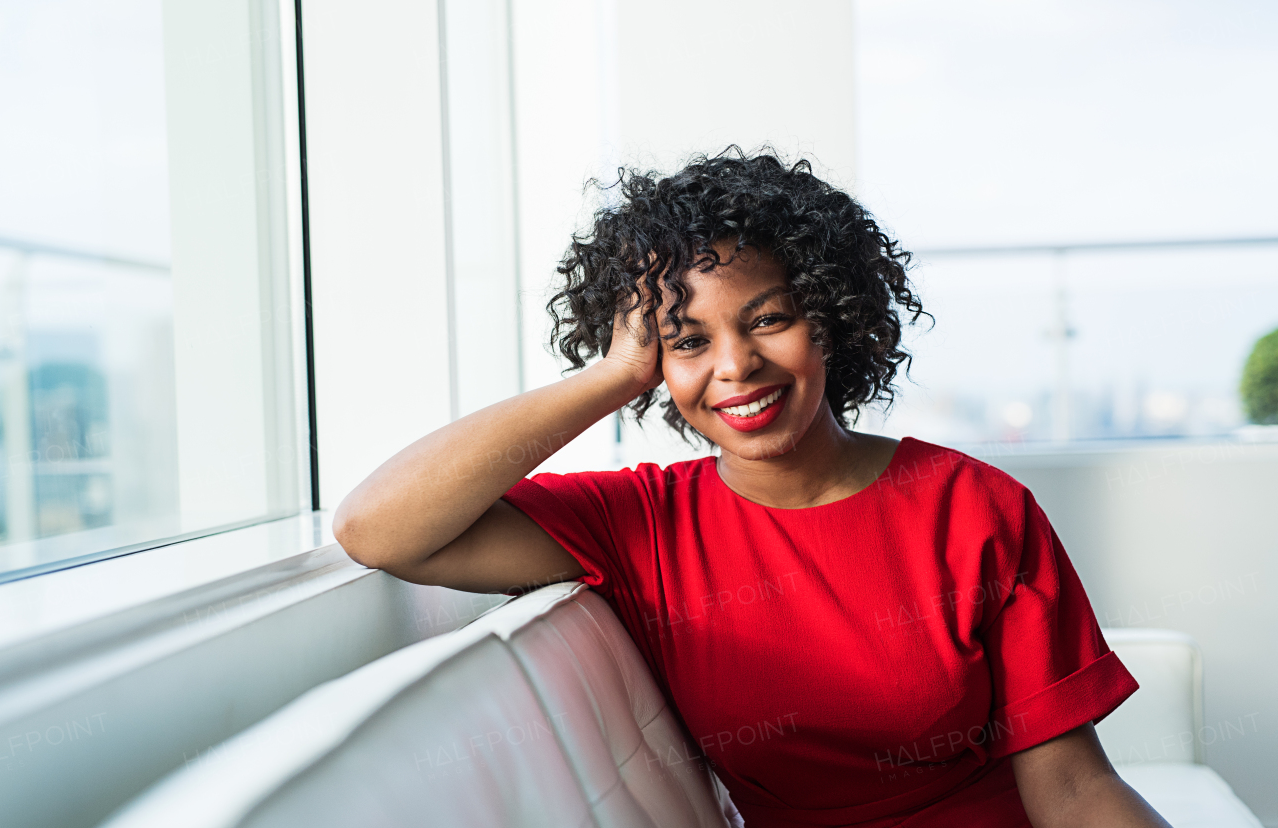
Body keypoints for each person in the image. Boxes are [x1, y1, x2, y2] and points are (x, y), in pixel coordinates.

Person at [333, 149, 1171, 828]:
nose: (735, 367)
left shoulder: (974, 506)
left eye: (768, 318)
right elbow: (380, 528)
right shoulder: (643, 523)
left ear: (833, 318)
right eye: (687, 340)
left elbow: (1072, 791)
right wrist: (618, 373)